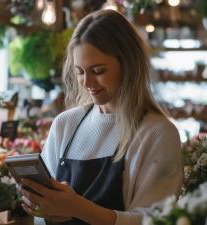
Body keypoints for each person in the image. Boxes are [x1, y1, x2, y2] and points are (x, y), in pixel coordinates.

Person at [19, 9, 183, 225]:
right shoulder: (65, 124)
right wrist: (40, 206)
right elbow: (42, 217)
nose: (87, 83)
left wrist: (77, 208)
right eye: (80, 71)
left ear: (128, 65)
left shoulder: (157, 133)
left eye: (98, 71)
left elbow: (156, 221)